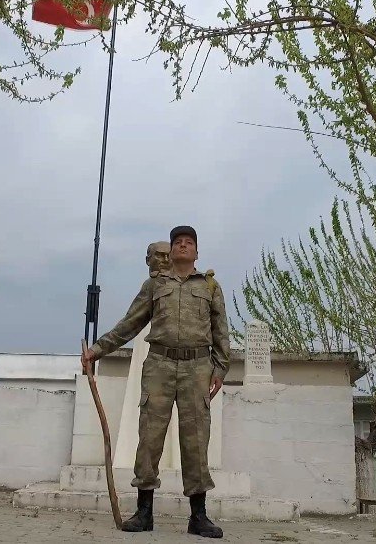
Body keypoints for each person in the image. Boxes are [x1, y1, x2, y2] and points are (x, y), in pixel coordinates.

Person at [82, 225, 229, 538]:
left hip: (197, 367)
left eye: (189, 243)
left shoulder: (211, 287)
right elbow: (130, 324)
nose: (183, 247)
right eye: (178, 242)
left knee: (196, 439)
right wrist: (98, 350)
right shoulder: (154, 285)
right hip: (160, 365)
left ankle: (198, 516)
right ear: (172, 250)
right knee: (149, 437)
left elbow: (221, 332)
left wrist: (220, 370)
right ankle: (144, 512)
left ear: (197, 252)